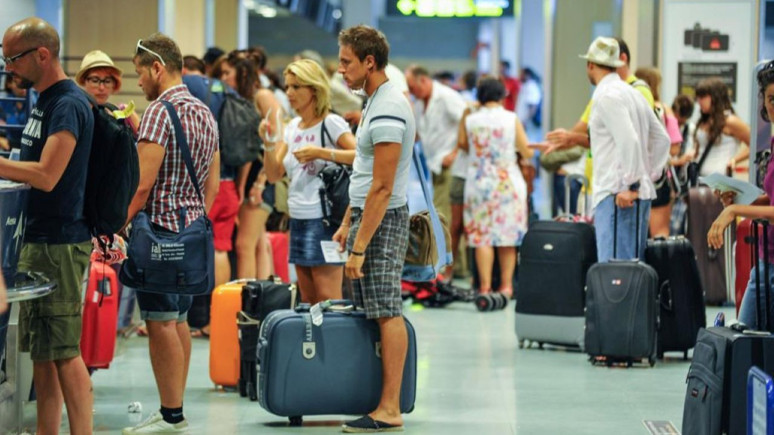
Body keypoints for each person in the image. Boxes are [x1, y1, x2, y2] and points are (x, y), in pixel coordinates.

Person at [1, 17, 95, 435]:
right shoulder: (44, 100)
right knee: (43, 352)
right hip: (38, 239)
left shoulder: (67, 104)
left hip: (60, 243)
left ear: (42, 54)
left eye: (13, 59)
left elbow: (47, 175)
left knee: (64, 352)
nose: (9, 69)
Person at [122, 32, 219, 434]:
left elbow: (142, 184)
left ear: (157, 68)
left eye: (140, 73)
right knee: (178, 319)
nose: (140, 82)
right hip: (191, 231)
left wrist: (117, 226)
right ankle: (173, 410)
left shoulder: (160, 113)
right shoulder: (204, 111)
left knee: (160, 321)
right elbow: (213, 183)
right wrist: (194, 221)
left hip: (158, 230)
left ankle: (170, 415)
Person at [333, 24, 415, 432]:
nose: (340, 70)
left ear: (369, 62)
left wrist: (361, 245)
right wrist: (350, 221)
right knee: (373, 311)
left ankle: (390, 408)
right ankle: (379, 400)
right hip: (370, 219)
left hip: (383, 222)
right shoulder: (374, 102)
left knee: (386, 311)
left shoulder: (387, 108)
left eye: (346, 62)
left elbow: (382, 186)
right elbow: (366, 176)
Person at [259, 59, 356, 303]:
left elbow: (362, 157)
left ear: (313, 89)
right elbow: (273, 174)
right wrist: (269, 143)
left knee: (328, 299)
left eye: (296, 87)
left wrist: (321, 153)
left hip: (324, 221)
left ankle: (334, 342)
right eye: (288, 86)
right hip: (298, 219)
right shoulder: (292, 128)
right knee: (308, 299)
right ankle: (317, 343)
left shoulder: (330, 123)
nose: (289, 93)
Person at [577, 36, 670, 262]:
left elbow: (629, 139)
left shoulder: (606, 96)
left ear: (590, 65)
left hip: (617, 195)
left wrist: (632, 184)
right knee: (631, 266)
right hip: (634, 194)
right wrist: (649, 175)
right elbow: (661, 138)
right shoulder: (632, 93)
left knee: (614, 271)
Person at [543, 37, 656, 217]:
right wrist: (566, 140)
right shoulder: (603, 94)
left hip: (617, 190)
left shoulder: (631, 92)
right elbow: (588, 133)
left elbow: (634, 140)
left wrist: (633, 185)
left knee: (612, 244)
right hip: (598, 183)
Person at [708, 61, 774, 329]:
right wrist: (739, 199)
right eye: (771, 98)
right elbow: (770, 199)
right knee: (743, 346)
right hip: (765, 261)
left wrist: (735, 211)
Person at [459, 77, 533, 296]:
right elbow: (527, 150)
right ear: (502, 96)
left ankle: (484, 287)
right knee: (507, 237)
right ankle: (506, 286)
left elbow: (462, 145)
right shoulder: (511, 119)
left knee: (482, 237)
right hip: (507, 184)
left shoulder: (471, 120)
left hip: (478, 185)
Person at [227, 50, 283, 281]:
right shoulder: (240, 99)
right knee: (259, 243)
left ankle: (246, 305)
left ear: (241, 73)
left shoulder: (263, 96)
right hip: (250, 177)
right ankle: (263, 304)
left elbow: (279, 141)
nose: (223, 78)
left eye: (226, 73)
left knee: (244, 245)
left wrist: (261, 183)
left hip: (262, 178)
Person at [404, 64, 467, 229]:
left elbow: (467, 122)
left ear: (423, 80)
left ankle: (446, 254)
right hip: (434, 165)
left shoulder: (446, 96)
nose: (411, 92)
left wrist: (455, 152)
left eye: (412, 87)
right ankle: (447, 254)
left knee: (443, 216)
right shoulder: (418, 104)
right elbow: (417, 134)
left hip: (451, 164)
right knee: (441, 213)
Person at [633, 66, 683, 238]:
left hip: (631, 178)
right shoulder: (664, 110)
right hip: (658, 180)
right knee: (659, 233)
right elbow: (675, 147)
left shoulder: (629, 108)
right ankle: (659, 266)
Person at [692, 78, 750, 178]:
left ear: (715, 97)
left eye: (703, 97)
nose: (699, 101)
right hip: (700, 179)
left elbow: (757, 145)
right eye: (698, 97)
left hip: (720, 183)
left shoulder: (730, 121)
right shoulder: (704, 120)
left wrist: (735, 159)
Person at [76, 49, 140, 131]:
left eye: (107, 81)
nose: (102, 87)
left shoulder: (123, 113)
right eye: (95, 81)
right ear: (84, 81)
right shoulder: (76, 113)